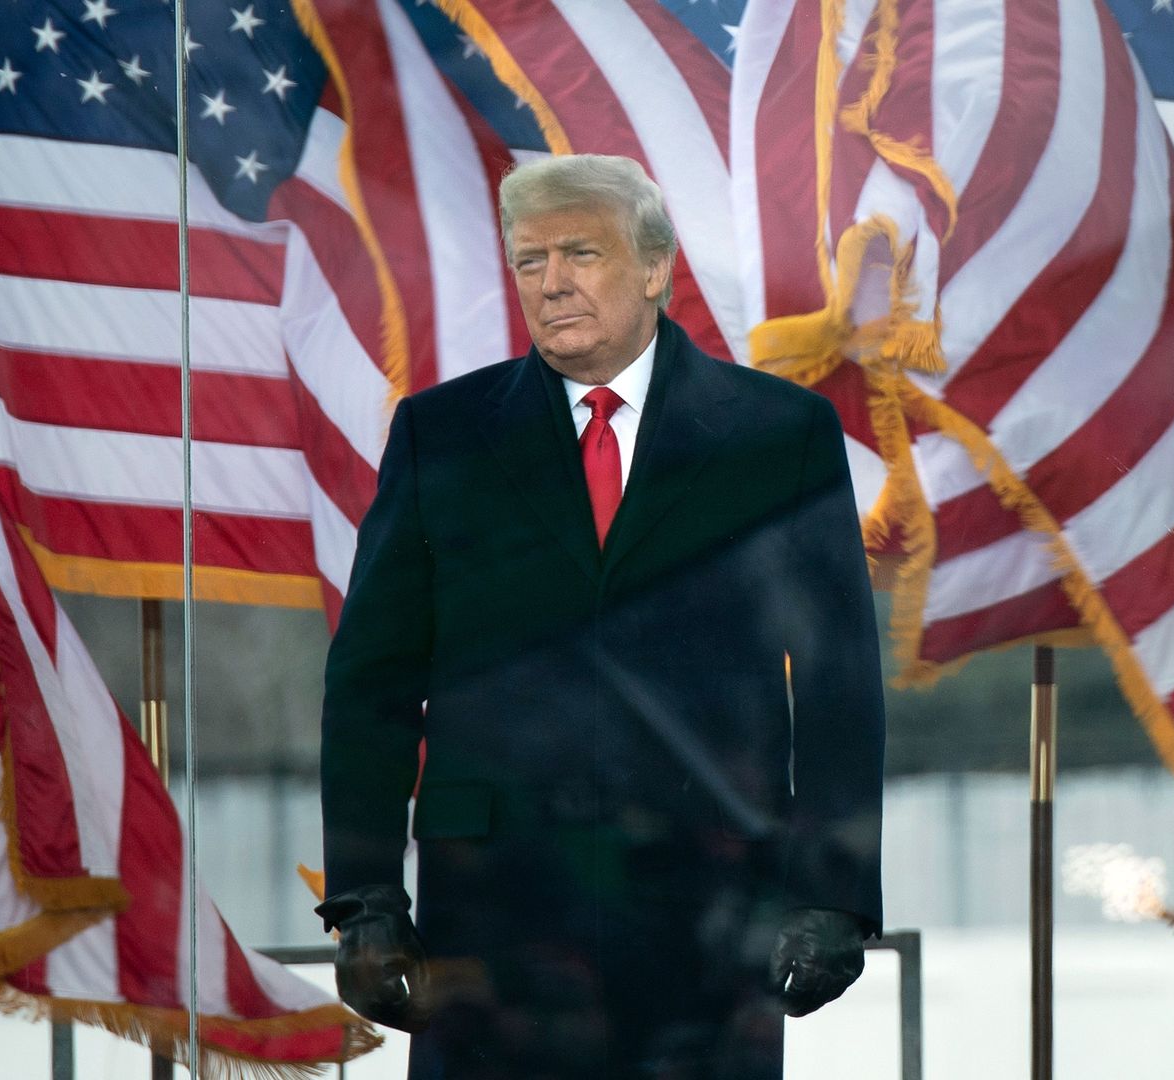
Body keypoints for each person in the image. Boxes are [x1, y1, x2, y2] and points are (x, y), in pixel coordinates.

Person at [315, 153, 885, 1080]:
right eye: (530, 260)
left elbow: (839, 686)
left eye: (580, 253)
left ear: (656, 268)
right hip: (491, 918)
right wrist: (365, 898)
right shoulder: (440, 435)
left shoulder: (779, 436)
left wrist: (832, 896)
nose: (551, 283)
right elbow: (371, 684)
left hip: (708, 911)